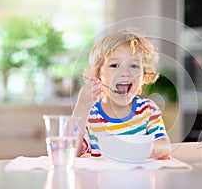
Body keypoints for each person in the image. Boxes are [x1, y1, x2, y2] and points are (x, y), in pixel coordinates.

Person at [72, 27, 171, 159]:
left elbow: (164, 147)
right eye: (114, 65)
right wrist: (80, 108)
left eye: (134, 66)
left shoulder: (148, 110)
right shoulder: (90, 116)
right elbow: (69, 151)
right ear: (97, 75)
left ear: (144, 75)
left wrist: (134, 149)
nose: (124, 72)